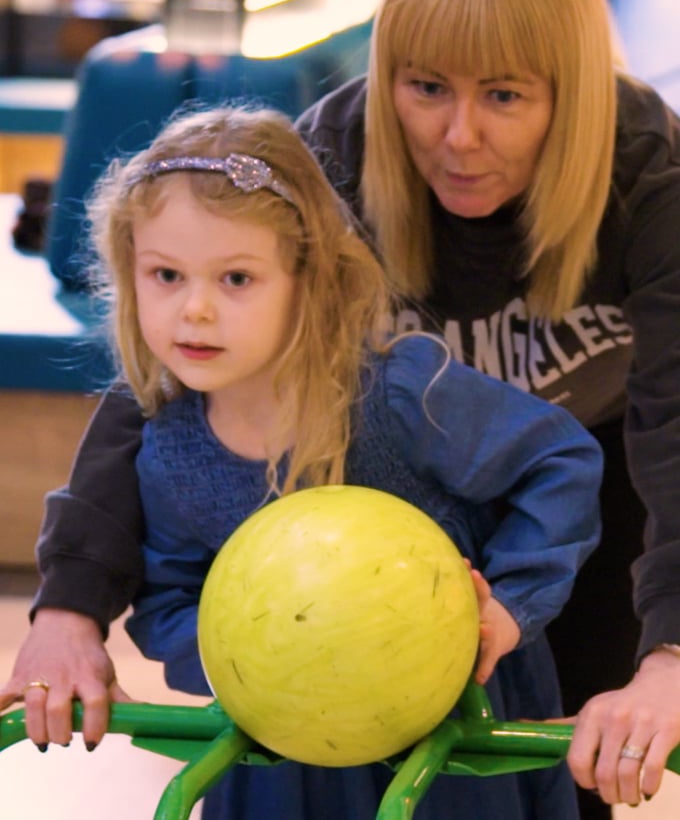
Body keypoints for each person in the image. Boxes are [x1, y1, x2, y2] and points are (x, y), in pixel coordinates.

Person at [2, 0, 680, 814]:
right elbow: (172, 372)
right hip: (369, 514)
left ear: (573, 93)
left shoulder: (647, 173)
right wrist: (68, 607)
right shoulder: (337, 158)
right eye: (426, 87)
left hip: (572, 486)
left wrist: (671, 658)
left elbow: (673, 424)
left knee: (563, 752)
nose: (459, 135)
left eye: (507, 95)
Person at [70, 101, 603, 818]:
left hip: (444, 743)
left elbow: (560, 462)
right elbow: (167, 600)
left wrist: (508, 607)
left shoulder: (399, 394)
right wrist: (262, 659)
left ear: (308, 278)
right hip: (284, 756)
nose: (194, 310)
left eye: (235, 279)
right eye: (166, 275)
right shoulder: (167, 449)